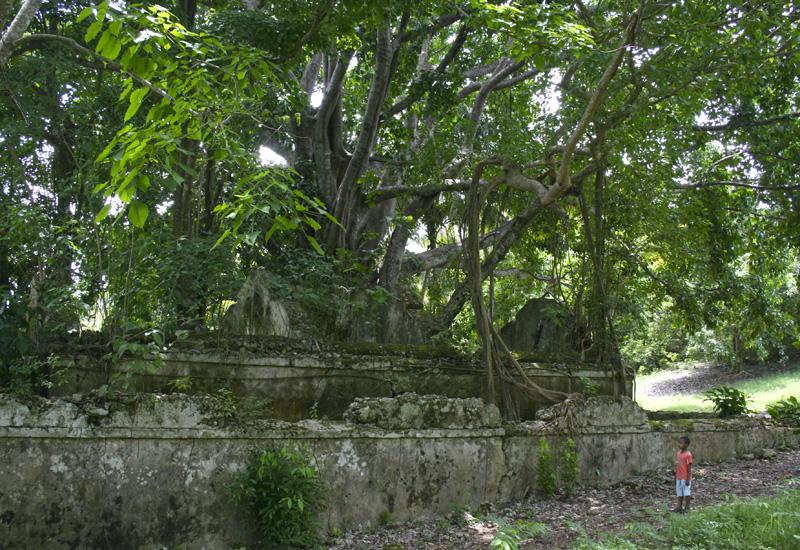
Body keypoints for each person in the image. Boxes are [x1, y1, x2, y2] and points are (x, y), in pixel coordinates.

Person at [672, 435, 693, 513]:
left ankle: (687, 507)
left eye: (681, 443)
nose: (679, 444)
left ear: (686, 444)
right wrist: (676, 476)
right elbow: (678, 465)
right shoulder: (678, 453)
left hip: (685, 477)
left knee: (686, 493)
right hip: (679, 477)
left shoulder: (688, 455)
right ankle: (679, 507)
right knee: (679, 493)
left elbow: (689, 467)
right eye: (679, 443)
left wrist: (688, 478)